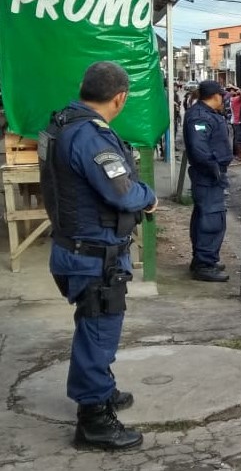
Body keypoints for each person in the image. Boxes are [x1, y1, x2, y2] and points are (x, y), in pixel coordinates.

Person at [38, 61, 158, 451]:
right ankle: (93, 420)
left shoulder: (63, 124)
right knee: (97, 332)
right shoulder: (90, 136)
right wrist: (150, 198)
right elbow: (122, 191)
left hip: (76, 248)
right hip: (92, 255)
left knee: (95, 328)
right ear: (120, 98)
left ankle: (100, 391)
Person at [182, 81, 233, 283]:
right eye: (222, 96)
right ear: (216, 96)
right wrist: (214, 169)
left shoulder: (205, 114)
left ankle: (203, 259)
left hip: (210, 174)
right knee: (211, 219)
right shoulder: (200, 116)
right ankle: (205, 264)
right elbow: (199, 148)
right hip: (208, 176)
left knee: (205, 216)